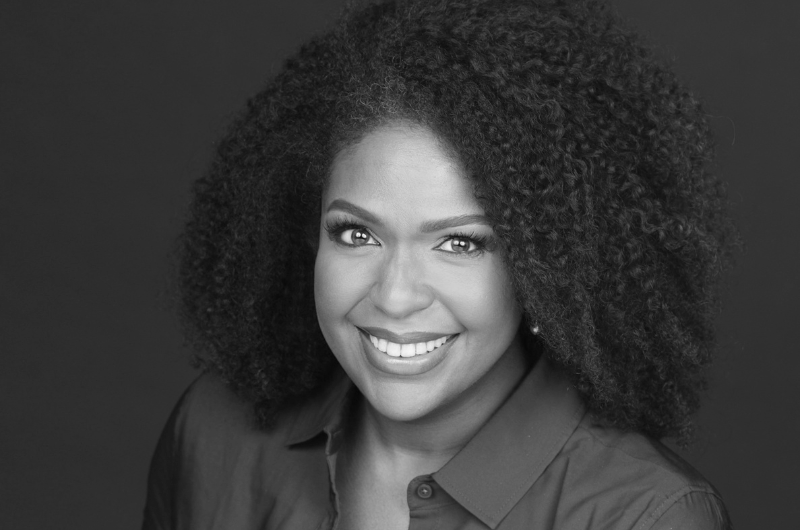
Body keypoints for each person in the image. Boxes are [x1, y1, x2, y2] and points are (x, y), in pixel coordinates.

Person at [142, 0, 738, 528]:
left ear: (546, 266)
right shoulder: (213, 435)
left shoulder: (644, 517)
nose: (396, 296)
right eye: (356, 233)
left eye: (459, 244)